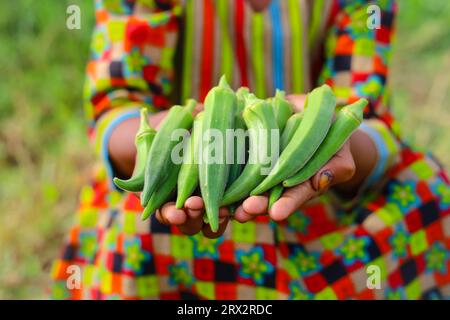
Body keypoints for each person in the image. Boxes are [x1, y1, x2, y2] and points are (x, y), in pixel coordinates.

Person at [51, 0, 450, 300]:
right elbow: (115, 110)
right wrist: (177, 134)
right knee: (138, 227)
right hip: (176, 174)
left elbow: (364, 111)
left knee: (428, 190)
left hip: (307, 188)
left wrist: (333, 137)